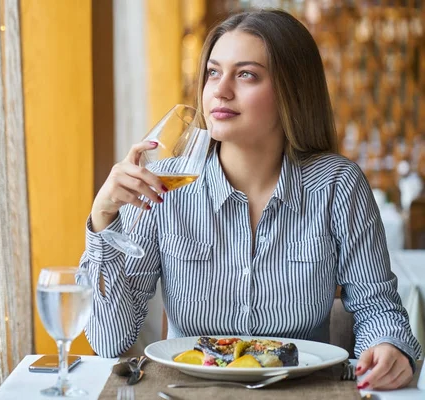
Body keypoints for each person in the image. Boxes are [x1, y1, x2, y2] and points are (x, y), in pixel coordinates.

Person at [79, 9, 422, 390]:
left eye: (246, 75)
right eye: (213, 72)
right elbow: (110, 341)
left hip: (302, 395)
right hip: (187, 395)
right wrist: (103, 220)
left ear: (293, 90)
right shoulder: (165, 186)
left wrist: (389, 347)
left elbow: (377, 306)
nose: (220, 90)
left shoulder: (337, 185)